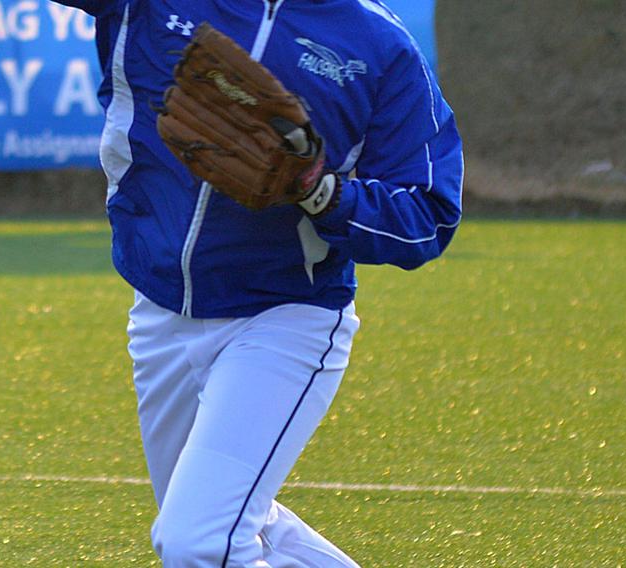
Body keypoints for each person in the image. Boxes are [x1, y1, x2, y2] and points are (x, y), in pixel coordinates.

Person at [53, 1, 463, 565]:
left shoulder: (378, 44)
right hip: (158, 309)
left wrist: (321, 191)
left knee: (199, 542)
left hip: (284, 318)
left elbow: (428, 216)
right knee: (238, 525)